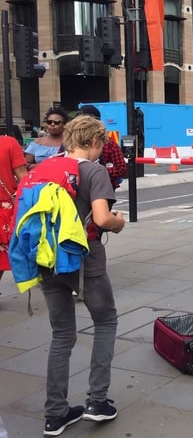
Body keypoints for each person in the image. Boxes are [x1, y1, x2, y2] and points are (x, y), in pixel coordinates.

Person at [40, 116, 126, 436]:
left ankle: (55, 413)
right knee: (106, 321)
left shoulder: (44, 168)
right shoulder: (93, 170)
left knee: (61, 334)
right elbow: (102, 219)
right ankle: (97, 401)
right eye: (101, 144)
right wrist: (119, 221)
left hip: (46, 260)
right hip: (83, 261)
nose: (101, 150)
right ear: (93, 142)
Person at [76, 105, 127, 190]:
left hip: (102, 188)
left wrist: (97, 173)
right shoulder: (70, 141)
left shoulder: (108, 143)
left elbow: (121, 168)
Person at [0, 131, 27, 285]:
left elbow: (22, 175)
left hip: (3, 207)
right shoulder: (8, 143)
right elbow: (22, 175)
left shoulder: (8, 143)